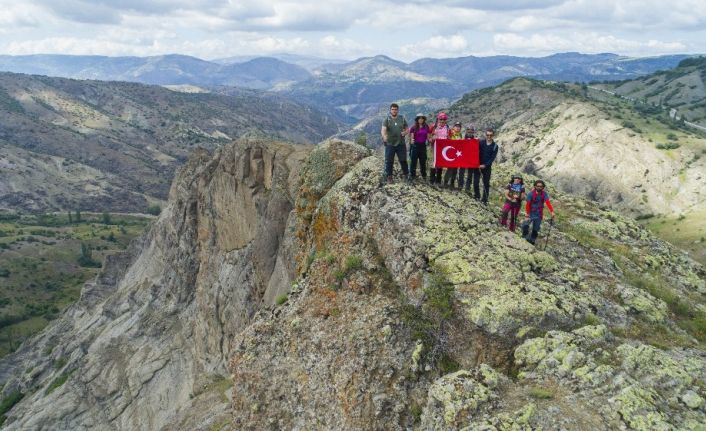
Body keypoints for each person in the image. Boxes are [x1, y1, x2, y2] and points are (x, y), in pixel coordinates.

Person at [381, 103, 409, 184]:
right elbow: (383, 129)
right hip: (390, 143)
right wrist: (384, 136)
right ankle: (389, 177)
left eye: (395, 109)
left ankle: (406, 175)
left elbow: (407, 128)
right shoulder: (387, 119)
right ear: (390, 110)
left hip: (401, 143)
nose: (394, 111)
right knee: (389, 160)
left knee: (403, 160)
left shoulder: (402, 118)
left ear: (398, 110)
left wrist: (405, 132)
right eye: (392, 109)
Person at [522, 180, 555, 245]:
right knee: (525, 225)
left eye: (541, 186)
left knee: (536, 229)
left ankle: (532, 241)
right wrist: (527, 214)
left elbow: (547, 202)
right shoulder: (530, 194)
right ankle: (524, 237)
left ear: (543, 187)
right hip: (530, 213)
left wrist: (552, 211)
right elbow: (528, 204)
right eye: (538, 186)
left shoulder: (544, 194)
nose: (539, 187)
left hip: (539, 214)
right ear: (535, 186)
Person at [473, 128, 499, 203]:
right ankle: (477, 195)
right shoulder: (481, 143)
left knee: (486, 184)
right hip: (477, 165)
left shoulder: (495, 146)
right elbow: (474, 150)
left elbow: (492, 158)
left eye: (491, 135)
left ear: (493, 135)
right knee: (475, 182)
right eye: (487, 135)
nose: (489, 137)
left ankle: (484, 200)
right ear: (485, 135)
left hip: (487, 167)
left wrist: (485, 165)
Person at [408, 113, 431, 181]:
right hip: (415, 146)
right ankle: (412, 175)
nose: (421, 120)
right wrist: (411, 141)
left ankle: (424, 176)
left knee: (423, 162)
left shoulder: (426, 127)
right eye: (419, 118)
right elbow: (412, 137)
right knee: (413, 162)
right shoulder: (413, 127)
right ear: (417, 119)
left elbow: (428, 137)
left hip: (423, 146)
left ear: (424, 119)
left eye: (422, 118)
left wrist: (431, 139)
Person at [429, 112, 450, 185]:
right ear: (438, 119)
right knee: (434, 163)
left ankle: (438, 180)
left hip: (443, 149)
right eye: (441, 119)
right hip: (434, 147)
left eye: (444, 119)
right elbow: (429, 137)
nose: (442, 121)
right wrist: (432, 139)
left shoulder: (447, 128)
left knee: (440, 163)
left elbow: (449, 138)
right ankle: (431, 180)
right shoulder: (433, 127)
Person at [443, 121, 463, 188]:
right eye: (456, 126)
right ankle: (445, 182)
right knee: (450, 169)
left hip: (457, 155)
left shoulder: (460, 135)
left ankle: (452, 183)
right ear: (454, 127)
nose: (457, 128)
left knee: (455, 169)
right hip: (451, 154)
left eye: (459, 127)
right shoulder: (451, 133)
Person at [457, 126, 476, 192]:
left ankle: (467, 188)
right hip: (463, 157)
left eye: (471, 130)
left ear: (473, 131)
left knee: (470, 173)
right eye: (468, 130)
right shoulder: (462, 139)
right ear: (466, 131)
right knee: (461, 172)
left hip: (471, 158)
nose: (470, 131)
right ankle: (460, 186)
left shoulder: (475, 140)